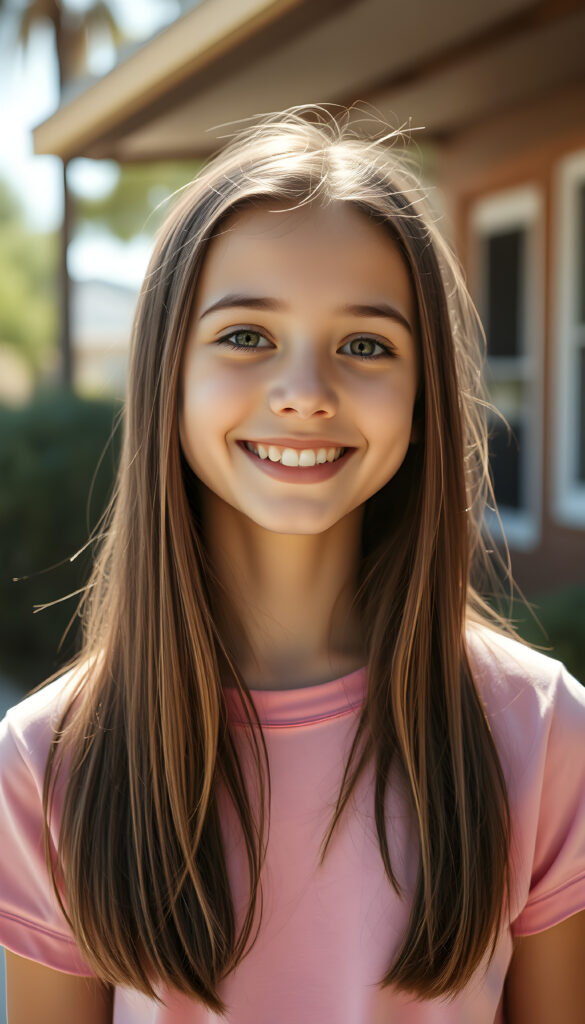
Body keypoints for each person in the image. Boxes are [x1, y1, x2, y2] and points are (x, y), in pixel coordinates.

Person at [1, 105, 584, 1024]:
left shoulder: (542, 729)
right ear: (168, 374)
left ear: (425, 390)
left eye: (365, 345)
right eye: (246, 336)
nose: (306, 393)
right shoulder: (46, 761)